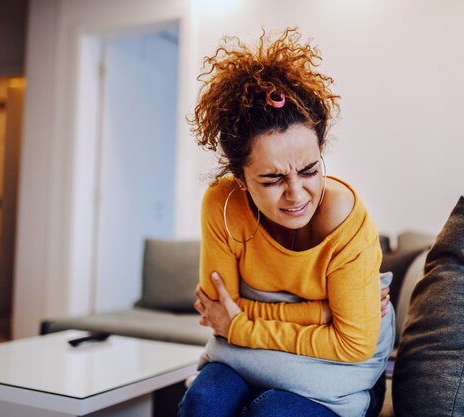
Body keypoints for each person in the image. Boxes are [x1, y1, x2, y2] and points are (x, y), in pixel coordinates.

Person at [178, 28, 395, 417]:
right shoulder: (223, 205)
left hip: (334, 370)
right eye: (273, 179)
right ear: (241, 181)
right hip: (263, 354)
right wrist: (321, 314)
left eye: (310, 170)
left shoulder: (345, 218)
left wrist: (242, 325)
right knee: (203, 402)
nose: (296, 194)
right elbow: (217, 311)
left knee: (273, 412)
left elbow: (352, 345)